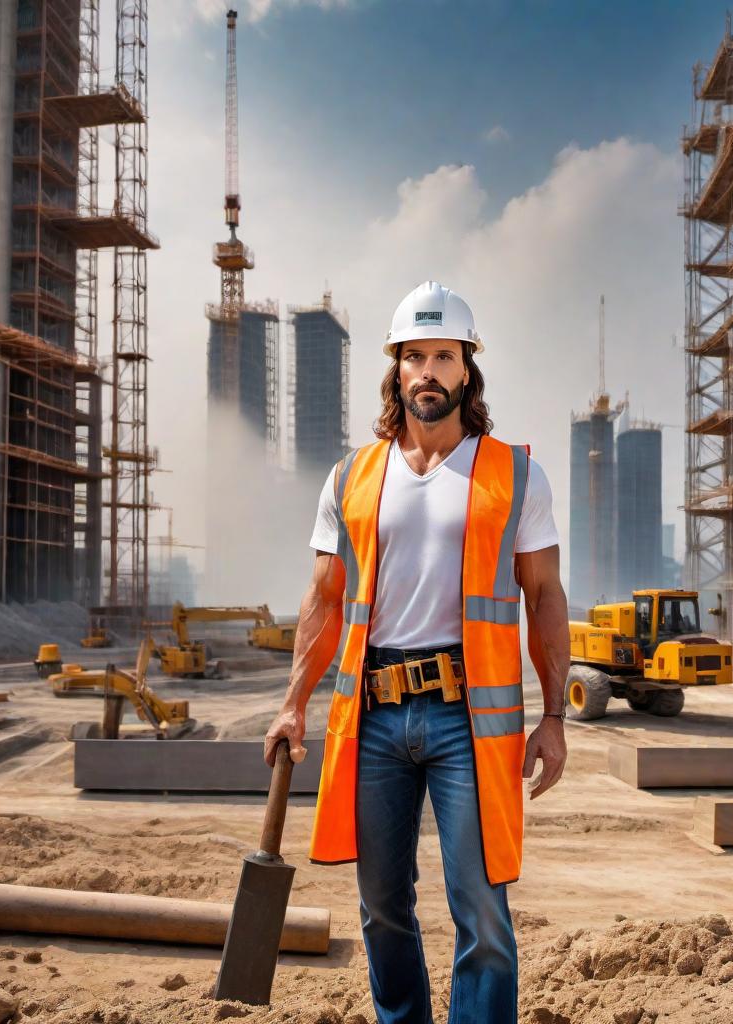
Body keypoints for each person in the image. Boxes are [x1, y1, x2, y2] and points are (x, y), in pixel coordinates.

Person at [264, 281, 571, 1024]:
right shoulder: (352, 478)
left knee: (483, 913)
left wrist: (555, 715)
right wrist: (292, 704)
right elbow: (325, 600)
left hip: (468, 721)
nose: (428, 371)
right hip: (372, 719)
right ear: (396, 370)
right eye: (414, 356)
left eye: (443, 355)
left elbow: (546, 596)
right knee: (381, 909)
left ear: (468, 370)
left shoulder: (514, 474)